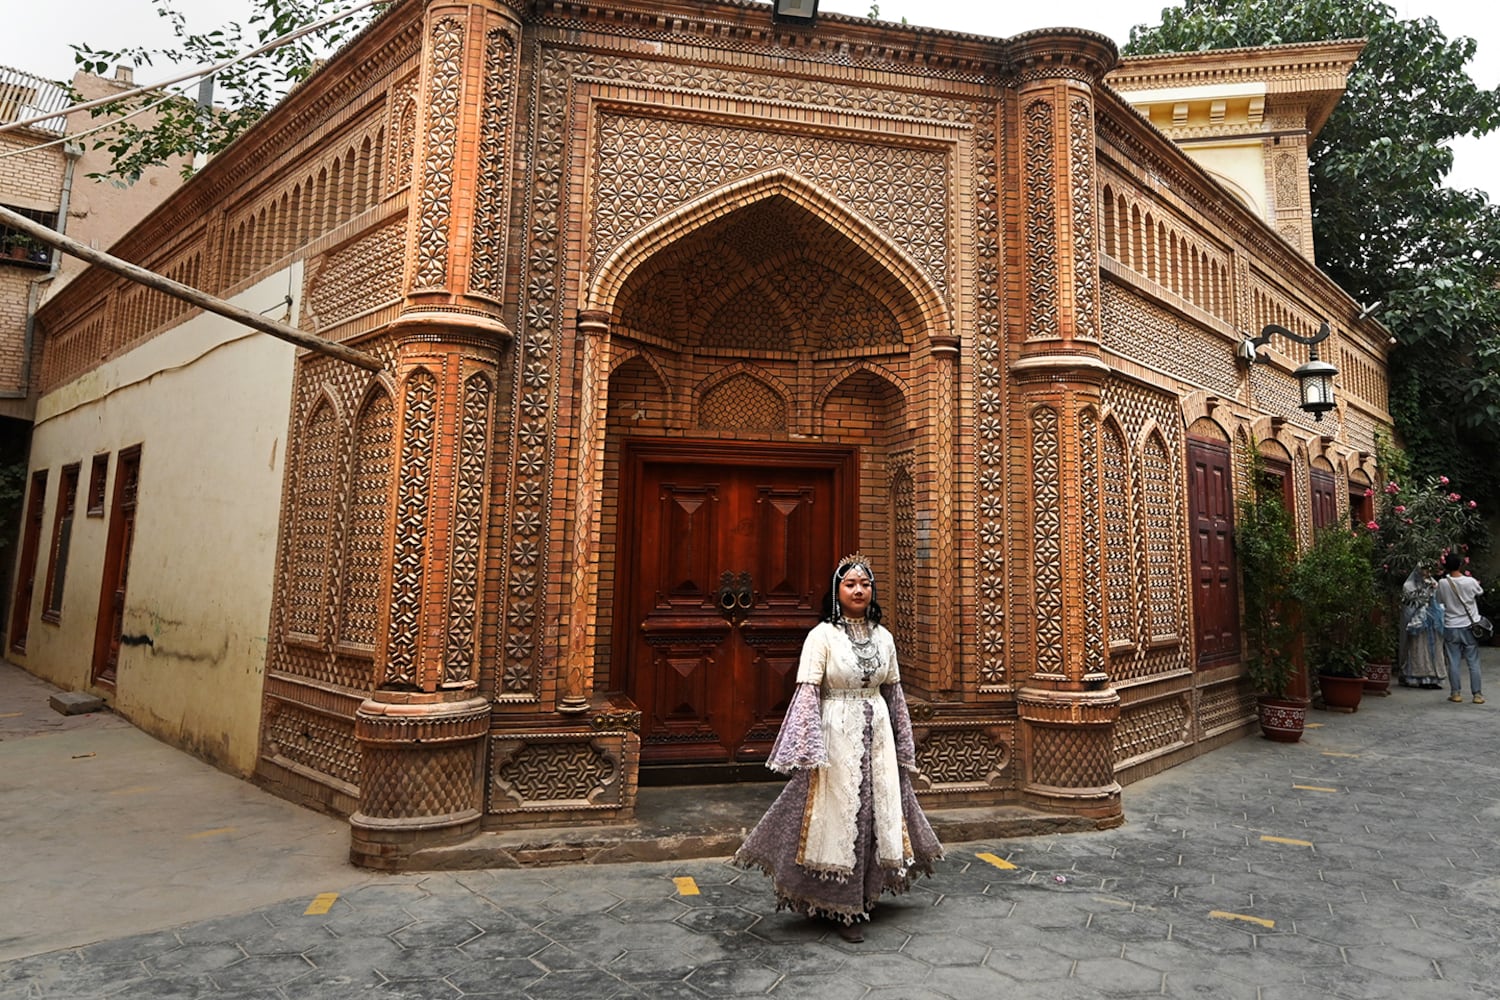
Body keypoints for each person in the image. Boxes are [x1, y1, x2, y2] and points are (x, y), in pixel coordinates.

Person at [733, 554, 943, 943]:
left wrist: (902, 742)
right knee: (838, 813)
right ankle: (837, 902)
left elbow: (894, 694)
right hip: (836, 730)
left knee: (876, 809)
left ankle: (865, 894)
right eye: (850, 584)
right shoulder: (821, 637)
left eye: (864, 584)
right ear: (837, 592)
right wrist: (808, 746)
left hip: (876, 730)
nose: (859, 590)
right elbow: (808, 693)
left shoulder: (884, 637)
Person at [1435, 552, 1485, 704]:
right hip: (1470, 625)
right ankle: (1477, 695)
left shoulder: (1443, 583)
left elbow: (1439, 600)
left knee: (1453, 661)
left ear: (1445, 566)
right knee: (1473, 661)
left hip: (1451, 625)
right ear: (1461, 565)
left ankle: (1456, 693)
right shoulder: (1470, 581)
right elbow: (1480, 592)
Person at [1399, 566, 1445, 689]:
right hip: (1417, 622)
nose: (1427, 572)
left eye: (1429, 570)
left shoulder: (1433, 583)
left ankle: (1433, 678)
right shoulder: (1409, 585)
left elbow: (1439, 601)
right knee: (1418, 649)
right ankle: (1417, 677)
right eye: (1424, 569)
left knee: (1434, 649)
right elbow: (1408, 607)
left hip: (1433, 622)